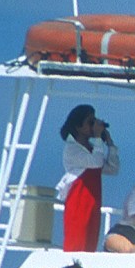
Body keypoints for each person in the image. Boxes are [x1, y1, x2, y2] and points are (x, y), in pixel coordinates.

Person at [56, 104, 118, 253]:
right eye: (90, 122)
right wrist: (97, 138)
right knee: (77, 243)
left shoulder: (92, 149)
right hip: (78, 200)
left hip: (92, 200)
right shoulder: (72, 150)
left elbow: (112, 169)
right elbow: (95, 163)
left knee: (90, 243)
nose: (94, 125)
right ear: (78, 127)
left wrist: (109, 143)